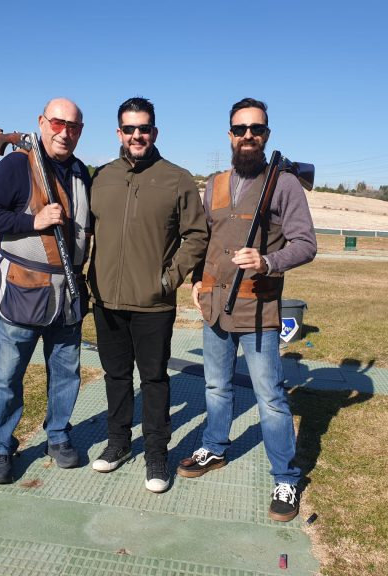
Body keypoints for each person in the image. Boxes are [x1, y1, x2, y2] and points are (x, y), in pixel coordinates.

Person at [177, 97, 317, 521]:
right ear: (230, 135)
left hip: (259, 309)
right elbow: (205, 240)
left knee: (270, 397)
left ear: (267, 135)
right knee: (216, 388)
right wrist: (197, 283)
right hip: (216, 306)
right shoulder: (215, 183)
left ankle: (286, 479)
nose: (248, 136)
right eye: (240, 129)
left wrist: (268, 261)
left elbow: (306, 244)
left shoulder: (285, 183)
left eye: (256, 129)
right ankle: (215, 448)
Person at [88, 97, 209, 493]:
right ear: (119, 133)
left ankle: (157, 454)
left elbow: (197, 234)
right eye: (129, 129)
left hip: (153, 303)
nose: (136, 135)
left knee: (154, 379)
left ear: (154, 132)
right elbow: (86, 231)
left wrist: (169, 278)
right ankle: (119, 443)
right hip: (106, 300)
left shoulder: (177, 178)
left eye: (144, 128)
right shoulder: (102, 176)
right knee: (116, 376)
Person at [0, 98, 92, 484]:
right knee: (8, 376)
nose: (65, 132)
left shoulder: (79, 172)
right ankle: (2, 448)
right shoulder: (16, 164)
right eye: (58, 123)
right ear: (42, 122)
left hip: (67, 292)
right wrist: (32, 219)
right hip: (22, 289)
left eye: (73, 126)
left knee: (67, 373)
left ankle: (57, 436)